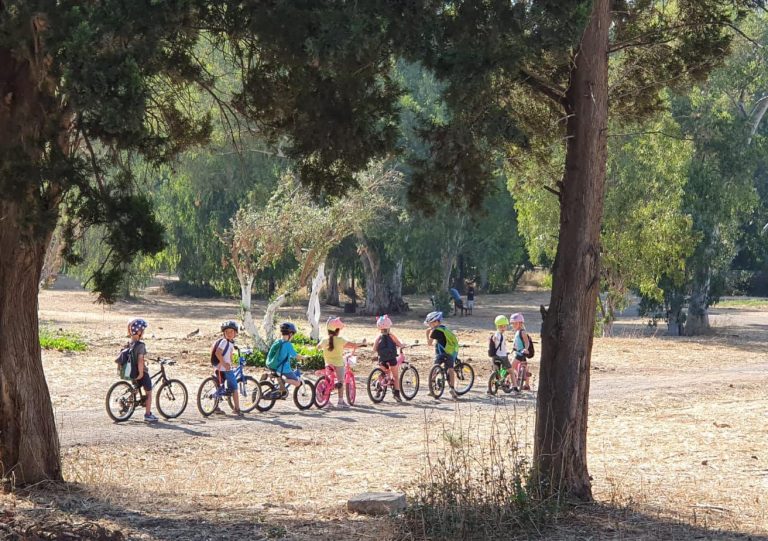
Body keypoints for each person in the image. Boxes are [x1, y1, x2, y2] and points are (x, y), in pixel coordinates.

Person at [317, 317, 366, 408]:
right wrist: (362, 343)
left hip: (328, 363)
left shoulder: (325, 339)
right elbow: (353, 345)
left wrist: (323, 346)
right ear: (337, 330)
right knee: (340, 381)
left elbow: (318, 347)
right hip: (338, 364)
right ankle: (340, 401)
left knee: (328, 381)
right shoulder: (340, 340)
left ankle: (327, 401)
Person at [127, 318, 158, 423]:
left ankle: (127, 406)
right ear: (139, 332)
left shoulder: (130, 342)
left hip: (132, 372)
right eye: (143, 330)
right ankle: (148, 414)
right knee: (149, 392)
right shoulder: (141, 345)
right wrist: (141, 373)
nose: (144, 332)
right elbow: (140, 359)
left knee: (135, 389)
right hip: (141, 373)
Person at [424, 311, 459, 399]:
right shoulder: (444, 328)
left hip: (440, 354)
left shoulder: (435, 331)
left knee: (435, 368)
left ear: (436, 322)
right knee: (450, 369)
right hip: (449, 353)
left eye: (430, 323)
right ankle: (452, 388)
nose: (429, 325)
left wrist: (427, 333)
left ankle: (431, 388)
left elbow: (429, 343)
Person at [212, 320, 242, 416]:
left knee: (219, 388)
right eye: (227, 332)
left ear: (235, 333)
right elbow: (218, 353)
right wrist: (224, 363)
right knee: (234, 388)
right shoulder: (225, 342)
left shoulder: (230, 343)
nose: (229, 334)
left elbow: (228, 354)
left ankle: (215, 407)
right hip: (225, 369)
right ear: (224, 333)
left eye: (231, 332)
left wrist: (230, 362)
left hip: (219, 368)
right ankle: (237, 409)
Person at [265, 322, 304, 397]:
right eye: (293, 334)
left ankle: (269, 376)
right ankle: (283, 381)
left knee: (281, 375)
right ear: (290, 334)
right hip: (284, 369)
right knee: (297, 382)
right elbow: (295, 356)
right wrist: (304, 357)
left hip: (274, 366)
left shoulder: (278, 341)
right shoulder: (287, 344)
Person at [373, 314, 405, 403]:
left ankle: (378, 389)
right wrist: (403, 345)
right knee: (395, 376)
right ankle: (396, 394)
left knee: (383, 374)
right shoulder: (391, 335)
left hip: (382, 359)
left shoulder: (378, 337)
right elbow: (399, 343)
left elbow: (374, 349)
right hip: (392, 359)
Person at [489, 314, 512, 391]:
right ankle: (501, 381)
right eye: (501, 326)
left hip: (494, 356)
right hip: (502, 356)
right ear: (497, 326)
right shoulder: (498, 335)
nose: (503, 328)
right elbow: (495, 338)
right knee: (506, 368)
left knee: (495, 370)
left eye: (504, 326)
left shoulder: (499, 334)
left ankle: (491, 388)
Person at [510, 312, 532, 391]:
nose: (513, 325)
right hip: (519, 352)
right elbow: (517, 342)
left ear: (520, 323)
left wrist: (526, 348)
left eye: (515, 323)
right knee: (525, 369)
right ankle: (527, 385)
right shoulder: (517, 332)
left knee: (511, 367)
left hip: (520, 353)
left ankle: (509, 382)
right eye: (512, 323)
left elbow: (526, 342)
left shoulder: (522, 332)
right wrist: (513, 347)